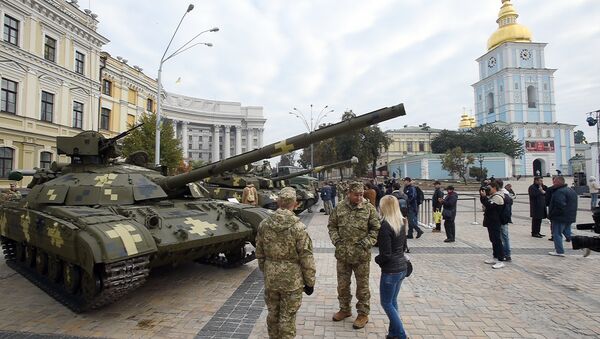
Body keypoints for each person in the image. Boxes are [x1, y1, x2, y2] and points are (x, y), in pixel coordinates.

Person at [255, 187, 316, 339]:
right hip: (292, 280)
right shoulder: (299, 227)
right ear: (295, 204)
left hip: (271, 277)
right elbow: (306, 257)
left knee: (273, 315)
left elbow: (259, 252)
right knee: (287, 318)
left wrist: (267, 269)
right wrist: (310, 282)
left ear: (277, 202)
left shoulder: (264, 224)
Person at [328, 181, 380, 329]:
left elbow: (375, 228)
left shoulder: (368, 208)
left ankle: (363, 314)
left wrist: (367, 242)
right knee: (343, 285)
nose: (359, 198)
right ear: (349, 194)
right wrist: (336, 241)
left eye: (361, 194)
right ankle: (345, 310)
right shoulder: (339, 208)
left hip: (361, 256)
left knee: (362, 286)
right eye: (356, 195)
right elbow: (332, 225)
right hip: (343, 254)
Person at [375, 195, 409, 339]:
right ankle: (393, 333)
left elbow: (386, 254)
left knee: (386, 303)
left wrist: (377, 259)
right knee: (393, 301)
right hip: (401, 267)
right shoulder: (401, 221)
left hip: (391, 270)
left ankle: (401, 334)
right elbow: (403, 246)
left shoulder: (385, 226)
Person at [548, 176, 578, 257]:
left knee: (557, 233)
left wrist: (552, 215)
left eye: (554, 182)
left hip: (560, 217)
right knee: (567, 233)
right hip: (569, 216)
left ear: (558, 182)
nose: (553, 184)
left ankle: (559, 251)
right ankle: (583, 243)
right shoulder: (571, 191)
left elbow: (559, 205)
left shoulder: (559, 192)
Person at [480, 181, 507, 269]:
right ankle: (495, 257)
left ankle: (500, 260)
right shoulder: (492, 196)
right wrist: (482, 196)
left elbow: (489, 206)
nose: (488, 190)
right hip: (491, 221)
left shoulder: (498, 197)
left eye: (489, 188)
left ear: (494, 188)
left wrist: (484, 197)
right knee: (493, 240)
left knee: (497, 240)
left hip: (495, 222)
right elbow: (486, 203)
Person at [497, 179, 513, 261]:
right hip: (504, 218)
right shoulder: (506, 194)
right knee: (504, 236)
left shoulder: (502, 195)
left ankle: (506, 254)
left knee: (503, 236)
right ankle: (504, 253)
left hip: (502, 219)